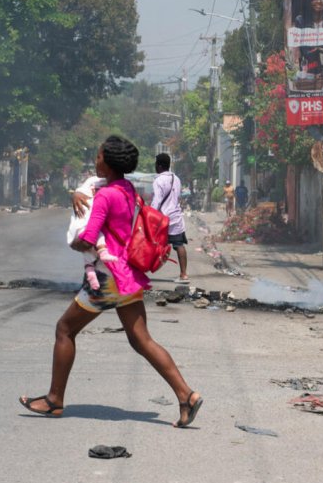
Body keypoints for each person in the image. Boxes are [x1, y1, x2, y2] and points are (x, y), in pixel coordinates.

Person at [19, 136, 202, 428]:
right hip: (127, 274)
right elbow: (88, 188)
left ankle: (54, 400)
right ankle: (186, 395)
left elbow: (89, 238)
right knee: (141, 340)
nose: (95, 161)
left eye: (98, 157)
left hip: (107, 278)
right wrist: (73, 195)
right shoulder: (126, 189)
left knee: (64, 329)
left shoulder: (105, 196)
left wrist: (75, 241)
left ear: (109, 161)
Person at [66, 176, 118, 291]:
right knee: (94, 245)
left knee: (89, 258)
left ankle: (90, 281)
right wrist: (76, 194)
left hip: (95, 235)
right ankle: (91, 286)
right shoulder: (93, 185)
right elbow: (80, 192)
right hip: (91, 234)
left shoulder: (117, 187)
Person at [152, 153, 190, 284]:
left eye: (156, 164)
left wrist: (150, 214)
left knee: (151, 243)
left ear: (160, 166)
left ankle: (142, 270)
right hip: (176, 217)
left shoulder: (158, 180)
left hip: (163, 218)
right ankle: (184, 274)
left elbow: (157, 201)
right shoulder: (177, 179)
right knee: (179, 245)